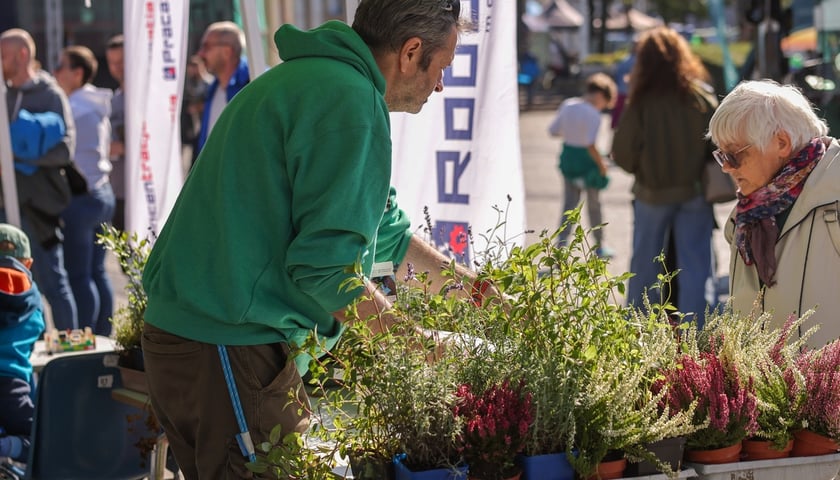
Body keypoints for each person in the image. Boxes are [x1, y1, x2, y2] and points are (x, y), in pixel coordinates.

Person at [141, 1, 469, 477]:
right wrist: (417, 344)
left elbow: (389, 236)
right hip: (226, 341)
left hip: (213, 341)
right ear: (411, 51)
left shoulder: (321, 82)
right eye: (443, 67)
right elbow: (325, 271)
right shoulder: (350, 102)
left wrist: (481, 294)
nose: (440, 84)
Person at [708, 80, 839, 348]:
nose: (726, 168)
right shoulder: (744, 218)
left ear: (781, 143)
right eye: (722, 155)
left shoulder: (833, 197)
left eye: (734, 155)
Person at [612, 26, 718, 327]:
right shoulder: (701, 97)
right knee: (697, 267)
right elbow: (717, 147)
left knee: (644, 266)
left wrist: (643, 169)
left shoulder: (641, 101)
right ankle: (698, 334)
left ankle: (638, 330)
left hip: (651, 193)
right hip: (694, 192)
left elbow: (622, 152)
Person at [1, 28, 78, 331]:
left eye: (3, 56)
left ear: (22, 55)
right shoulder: (4, 94)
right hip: (6, 207)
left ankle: (70, 346)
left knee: (52, 281)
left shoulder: (51, 95)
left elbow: (65, 150)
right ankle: (30, 344)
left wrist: (16, 157)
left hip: (39, 208)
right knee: (13, 283)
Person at [53, 45, 115, 335]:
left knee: (79, 275)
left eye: (60, 66)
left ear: (78, 74)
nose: (55, 72)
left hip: (81, 198)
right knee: (96, 272)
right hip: (102, 193)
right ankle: (102, 336)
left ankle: (85, 338)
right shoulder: (95, 103)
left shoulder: (74, 109)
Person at [548, 72, 616, 257]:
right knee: (594, 206)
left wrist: (571, 132)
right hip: (588, 164)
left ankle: (560, 249)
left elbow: (553, 131)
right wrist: (602, 165)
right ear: (600, 95)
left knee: (568, 207)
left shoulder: (568, 105)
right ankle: (599, 246)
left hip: (568, 160)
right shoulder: (593, 114)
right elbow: (590, 144)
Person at [0, 223, 45, 465]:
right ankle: (7, 446)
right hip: (12, 388)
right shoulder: (33, 298)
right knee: (43, 440)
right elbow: (38, 332)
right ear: (28, 263)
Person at [194, 21, 250, 157]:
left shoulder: (255, 83)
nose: (200, 54)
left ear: (227, 51)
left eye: (206, 47)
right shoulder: (213, 88)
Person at [105, 35, 127, 233]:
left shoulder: (148, 99)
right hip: (118, 190)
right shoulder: (114, 98)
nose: (117, 68)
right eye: (112, 62)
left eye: (121, 61)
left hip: (143, 191)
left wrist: (125, 148)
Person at [181, 54, 209, 169]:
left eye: (195, 66)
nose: (192, 70)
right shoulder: (185, 84)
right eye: (190, 66)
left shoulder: (208, 84)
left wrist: (197, 107)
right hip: (185, 128)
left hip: (201, 129)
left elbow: (209, 103)